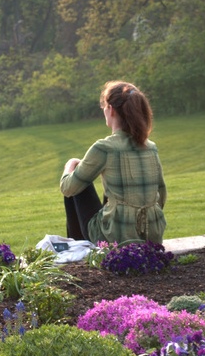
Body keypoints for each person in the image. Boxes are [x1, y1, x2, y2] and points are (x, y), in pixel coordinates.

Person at [60, 80, 167, 245]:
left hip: (115, 235)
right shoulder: (151, 147)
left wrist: (71, 164)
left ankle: (78, 247)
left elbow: (68, 188)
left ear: (110, 109)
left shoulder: (105, 147)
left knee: (75, 182)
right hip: (152, 235)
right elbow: (161, 193)